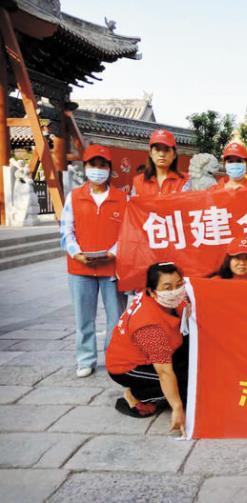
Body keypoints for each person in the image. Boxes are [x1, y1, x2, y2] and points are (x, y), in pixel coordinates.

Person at [60, 144, 128, 378]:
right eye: (93, 165)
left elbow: (128, 232)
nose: (97, 170)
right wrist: (76, 253)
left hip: (112, 267)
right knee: (84, 317)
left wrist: (113, 252)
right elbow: (66, 230)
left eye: (102, 165)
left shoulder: (122, 198)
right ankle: (85, 359)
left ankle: (114, 358)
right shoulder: (74, 197)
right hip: (80, 267)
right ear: (85, 167)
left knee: (116, 317)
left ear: (109, 169)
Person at [106, 263, 189, 435]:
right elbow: (164, 372)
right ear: (152, 291)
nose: (175, 291)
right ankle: (136, 395)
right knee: (186, 388)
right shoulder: (149, 326)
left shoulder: (168, 300)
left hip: (161, 349)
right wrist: (177, 408)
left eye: (179, 284)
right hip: (129, 366)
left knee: (195, 366)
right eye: (167, 288)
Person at [132, 129, 190, 196]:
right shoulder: (138, 181)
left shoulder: (185, 180)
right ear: (150, 153)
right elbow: (134, 202)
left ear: (174, 154)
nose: (162, 154)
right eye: (157, 149)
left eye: (166, 150)